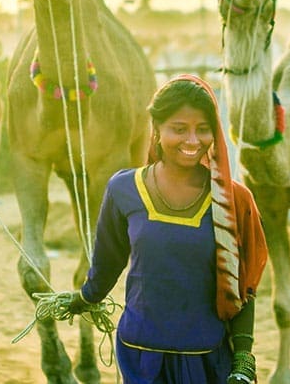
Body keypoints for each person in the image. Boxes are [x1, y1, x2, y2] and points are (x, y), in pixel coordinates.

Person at [69, 74, 268, 383]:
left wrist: (243, 357)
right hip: (138, 356)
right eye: (179, 129)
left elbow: (243, 285)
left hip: (207, 359)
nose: (192, 141)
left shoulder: (233, 201)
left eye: (203, 129)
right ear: (157, 130)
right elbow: (108, 261)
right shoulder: (124, 189)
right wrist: (83, 298)